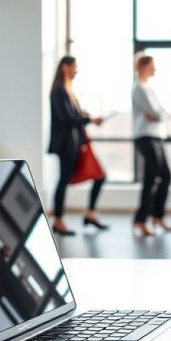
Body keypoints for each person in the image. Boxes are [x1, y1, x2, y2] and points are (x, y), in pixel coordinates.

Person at [48, 55, 107, 236]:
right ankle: (58, 220)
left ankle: (89, 213)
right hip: (65, 144)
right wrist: (88, 118)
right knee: (64, 180)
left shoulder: (68, 90)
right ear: (65, 67)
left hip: (74, 143)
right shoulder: (58, 90)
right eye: (75, 67)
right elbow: (66, 118)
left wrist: (83, 116)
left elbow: (72, 116)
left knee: (98, 176)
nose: (77, 71)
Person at [131, 53, 171, 237]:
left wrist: (160, 114)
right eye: (152, 66)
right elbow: (156, 112)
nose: (154, 69)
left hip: (156, 136)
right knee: (156, 176)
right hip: (145, 137)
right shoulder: (139, 88)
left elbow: (159, 113)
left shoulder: (148, 88)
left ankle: (155, 216)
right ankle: (142, 220)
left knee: (163, 176)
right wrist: (160, 114)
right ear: (143, 67)